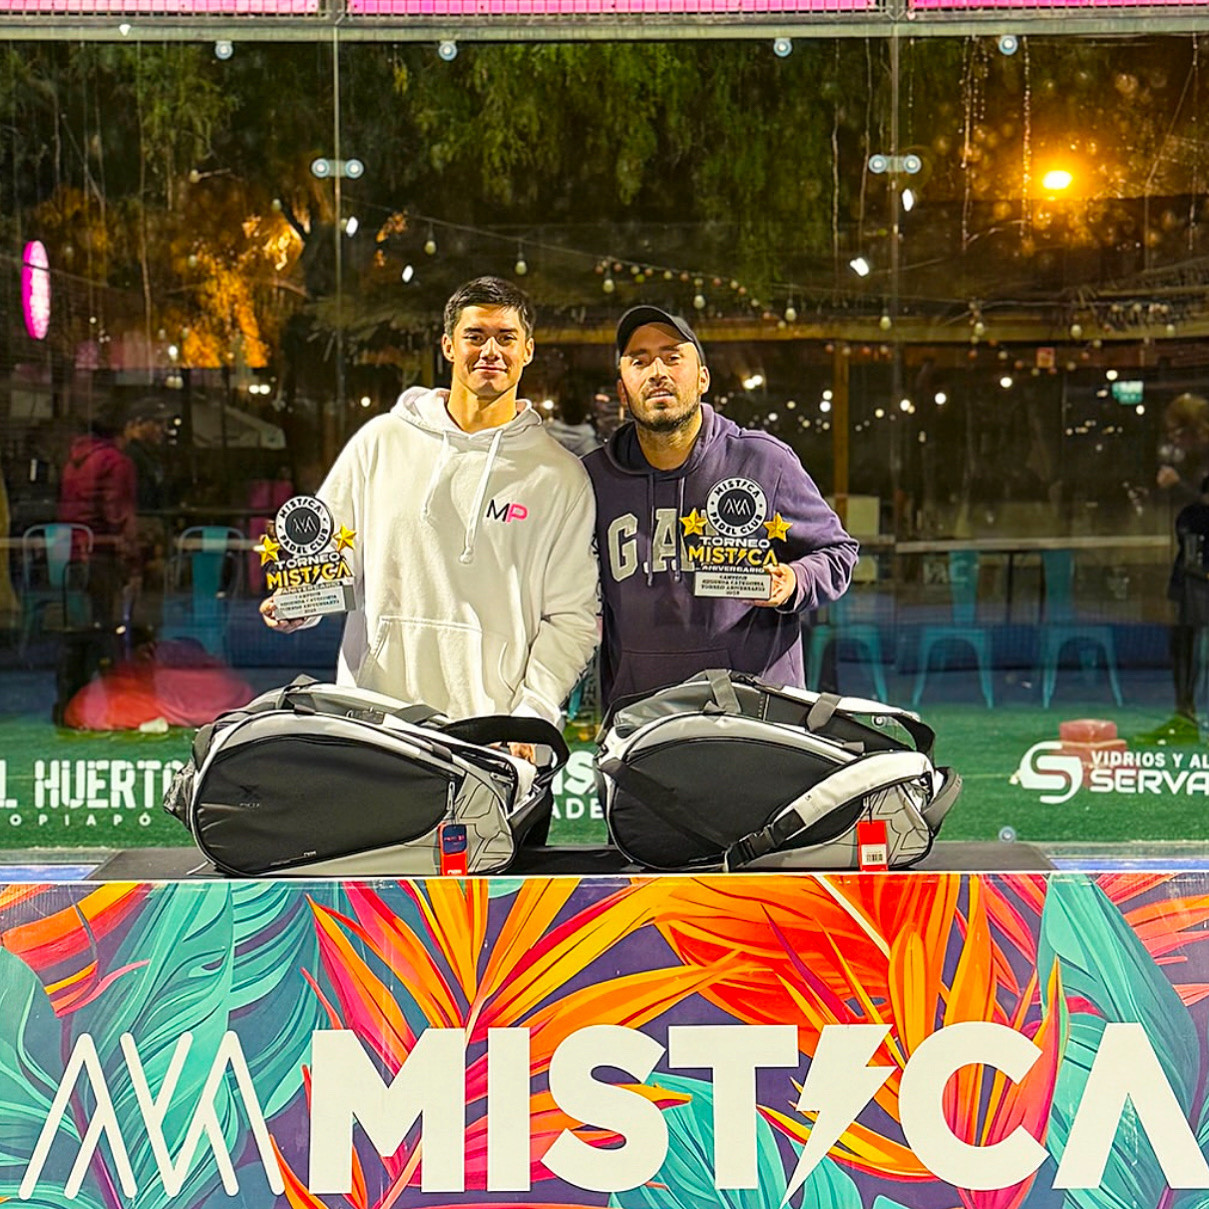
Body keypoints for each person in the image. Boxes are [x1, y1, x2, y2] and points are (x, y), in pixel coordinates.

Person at [261, 277, 599, 740]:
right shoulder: (380, 443)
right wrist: (302, 605)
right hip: (376, 725)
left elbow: (571, 618)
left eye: (506, 338)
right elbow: (332, 560)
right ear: (448, 346)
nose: (490, 351)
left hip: (493, 737)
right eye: (474, 336)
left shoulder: (560, 477)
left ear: (527, 350)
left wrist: (531, 714)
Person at [584, 305, 859, 708]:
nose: (657, 371)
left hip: (756, 716)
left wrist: (794, 580)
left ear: (702, 379)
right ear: (623, 391)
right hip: (641, 720)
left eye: (672, 357)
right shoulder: (593, 479)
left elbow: (838, 553)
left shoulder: (763, 461)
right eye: (639, 361)